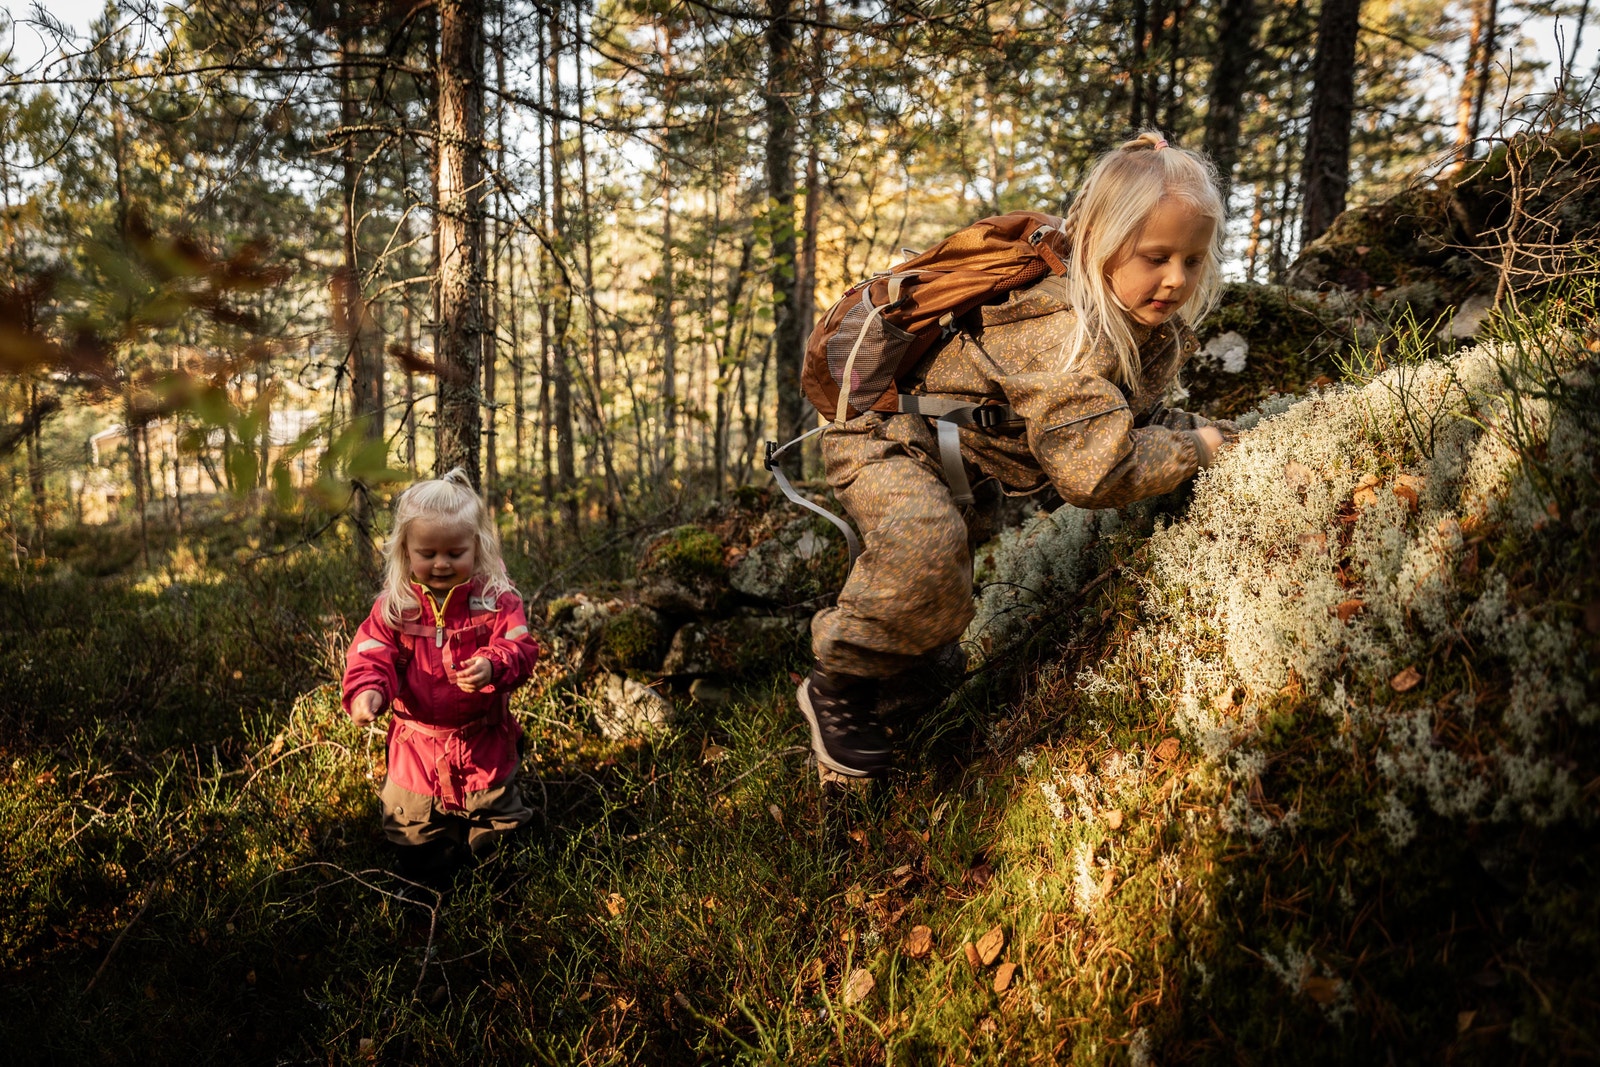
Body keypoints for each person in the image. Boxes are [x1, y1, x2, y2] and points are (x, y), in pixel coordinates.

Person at [797, 131, 1236, 779]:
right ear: (1099, 245)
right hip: (885, 433)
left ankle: (907, 663)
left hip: (965, 454)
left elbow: (1129, 421)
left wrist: (1213, 435)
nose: (1175, 278)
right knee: (924, 548)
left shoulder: (1137, 324)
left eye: (1193, 260)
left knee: (941, 589)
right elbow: (1097, 468)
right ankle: (838, 682)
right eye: (1156, 256)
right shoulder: (1060, 331)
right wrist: (1197, 447)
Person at [342, 468, 541, 886]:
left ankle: (499, 899)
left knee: (500, 837)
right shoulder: (395, 607)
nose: (441, 563)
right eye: (427, 553)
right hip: (415, 752)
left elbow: (521, 648)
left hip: (482, 746)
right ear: (405, 551)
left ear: (477, 546)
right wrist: (368, 691)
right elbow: (370, 653)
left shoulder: (495, 600)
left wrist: (493, 664)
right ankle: (429, 901)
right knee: (415, 842)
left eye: (455, 552)